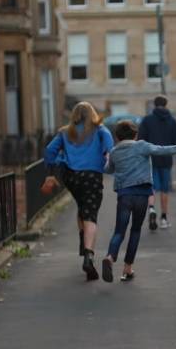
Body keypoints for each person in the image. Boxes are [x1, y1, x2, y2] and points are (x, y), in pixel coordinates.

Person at [102, 121, 176, 281]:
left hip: (124, 195)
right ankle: (128, 268)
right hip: (142, 195)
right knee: (135, 230)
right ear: (135, 135)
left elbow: (108, 170)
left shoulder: (115, 151)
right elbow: (161, 150)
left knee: (119, 231)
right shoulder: (142, 146)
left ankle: (110, 257)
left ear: (116, 137)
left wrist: (107, 158)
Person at [44, 102, 114, 282]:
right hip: (91, 177)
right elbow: (110, 149)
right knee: (90, 215)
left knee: (82, 206)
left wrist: (51, 173)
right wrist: (108, 160)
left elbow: (49, 150)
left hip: (71, 177)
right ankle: (89, 255)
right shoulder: (100, 130)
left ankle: (83, 241)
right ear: (92, 114)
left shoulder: (65, 132)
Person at [137, 95, 176, 230]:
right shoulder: (172, 121)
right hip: (166, 158)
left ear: (154, 105)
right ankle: (164, 218)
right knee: (164, 189)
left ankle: (151, 209)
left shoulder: (147, 120)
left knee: (152, 187)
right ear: (166, 104)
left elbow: (141, 140)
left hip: (151, 158)